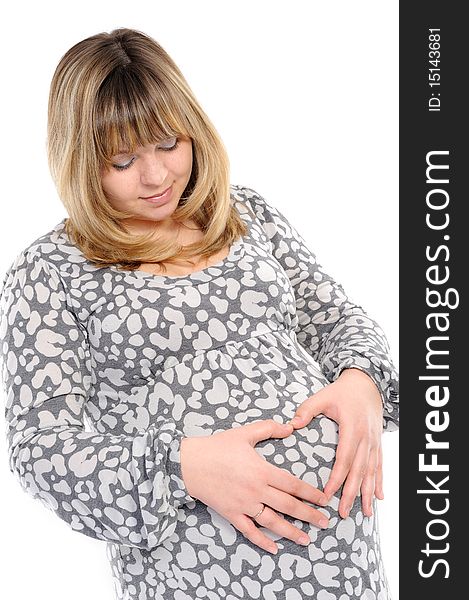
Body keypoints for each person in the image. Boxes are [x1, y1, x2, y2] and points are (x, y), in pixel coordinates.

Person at [0, 27, 399, 600]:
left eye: (169, 143)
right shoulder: (48, 273)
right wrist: (182, 466)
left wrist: (360, 381)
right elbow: (42, 448)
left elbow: (335, 317)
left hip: (343, 569)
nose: (157, 176)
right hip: (194, 575)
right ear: (81, 161)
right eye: (122, 159)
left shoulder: (246, 215)